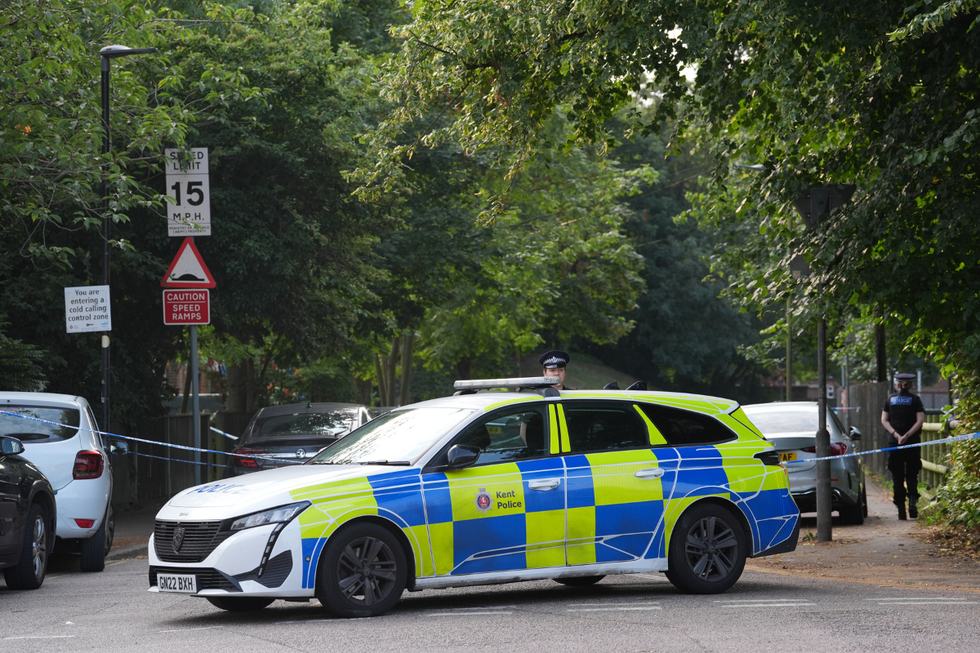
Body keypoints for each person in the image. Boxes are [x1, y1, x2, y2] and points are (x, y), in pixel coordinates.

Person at [880, 372, 925, 520]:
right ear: (911, 385)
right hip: (912, 442)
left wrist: (896, 435)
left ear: (897, 385)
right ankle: (912, 501)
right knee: (912, 473)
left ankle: (900, 507)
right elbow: (919, 421)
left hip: (894, 444)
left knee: (897, 475)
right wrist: (907, 435)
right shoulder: (915, 400)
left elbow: (884, 420)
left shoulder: (890, 399)